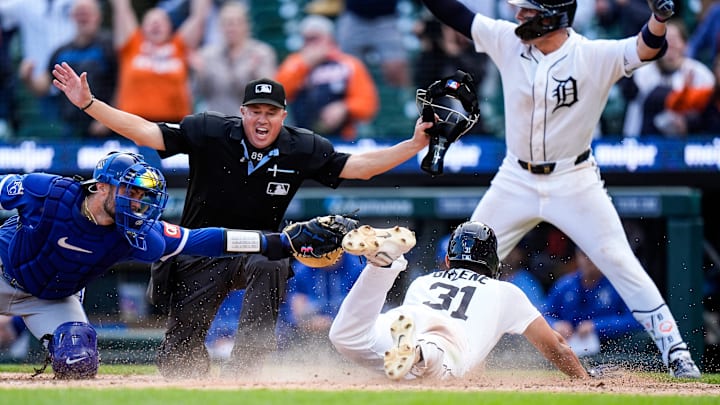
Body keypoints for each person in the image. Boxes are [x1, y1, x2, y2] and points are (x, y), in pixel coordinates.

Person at [51, 63, 431, 378]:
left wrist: (413, 146)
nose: (262, 119)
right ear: (243, 112)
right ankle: (189, 376)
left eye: (271, 112)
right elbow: (147, 132)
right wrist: (89, 104)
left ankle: (244, 370)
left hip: (258, 247)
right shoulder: (210, 131)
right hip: (202, 249)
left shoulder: (301, 147)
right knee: (180, 358)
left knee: (273, 260)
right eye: (255, 110)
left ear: (283, 116)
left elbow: (359, 167)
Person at [418, 0, 702, 377]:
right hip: (514, 178)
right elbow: (455, 13)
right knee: (464, 259)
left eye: (527, 11)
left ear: (552, 17)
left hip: (574, 179)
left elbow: (645, 48)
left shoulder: (591, 54)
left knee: (619, 260)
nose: (517, 16)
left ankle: (677, 353)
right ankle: (431, 350)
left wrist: (659, 18)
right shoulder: (508, 40)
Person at [0, 150, 351, 379]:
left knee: (77, 361)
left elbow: (206, 239)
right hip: (3, 270)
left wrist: (278, 242)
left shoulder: (141, 235)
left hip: (51, 299)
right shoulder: (45, 192)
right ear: (103, 187)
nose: (138, 203)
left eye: (142, 195)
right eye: (130, 192)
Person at [330, 221, 590, 380]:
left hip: (402, 324)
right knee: (438, 363)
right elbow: (556, 347)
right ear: (493, 264)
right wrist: (584, 379)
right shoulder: (504, 291)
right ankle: (418, 352)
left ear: (447, 260)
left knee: (346, 337)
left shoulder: (424, 282)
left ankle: (383, 265)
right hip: (443, 342)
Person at [22, 0, 117, 139]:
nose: (83, 18)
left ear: (98, 16)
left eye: (87, 13)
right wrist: (28, 78)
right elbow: (43, 86)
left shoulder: (110, 46)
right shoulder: (61, 51)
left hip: (105, 127)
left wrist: (109, 120)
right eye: (79, 13)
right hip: (71, 126)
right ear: (72, 17)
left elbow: (124, 85)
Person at [275, 14, 379, 140]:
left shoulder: (348, 64)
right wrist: (304, 65)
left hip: (342, 138)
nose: (311, 44)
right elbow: (277, 95)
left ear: (329, 38)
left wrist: (344, 108)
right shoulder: (294, 63)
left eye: (315, 39)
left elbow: (368, 105)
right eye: (307, 39)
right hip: (301, 139)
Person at [110, 0, 211, 122]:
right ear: (141, 27)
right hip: (133, 123)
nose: (156, 24)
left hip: (174, 123)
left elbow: (199, 17)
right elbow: (122, 8)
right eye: (151, 22)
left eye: (162, 21)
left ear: (170, 27)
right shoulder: (132, 44)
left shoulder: (179, 46)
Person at [621, 20, 714, 137]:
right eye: (666, 40)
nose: (671, 45)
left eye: (675, 39)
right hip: (644, 140)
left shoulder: (700, 73)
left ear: (685, 45)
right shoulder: (641, 72)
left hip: (689, 141)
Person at [544, 248, 644, 357]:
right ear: (577, 257)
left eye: (593, 255)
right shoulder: (565, 284)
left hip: (611, 349)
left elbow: (635, 320)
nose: (588, 260)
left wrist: (596, 326)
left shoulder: (618, 284)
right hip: (570, 348)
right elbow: (544, 314)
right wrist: (556, 325)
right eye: (584, 255)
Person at [190, 1, 277, 115]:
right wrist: (200, 74)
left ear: (247, 25)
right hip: (216, 120)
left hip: (249, 122)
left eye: (237, 22)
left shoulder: (261, 53)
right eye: (227, 23)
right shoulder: (207, 55)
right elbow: (197, 93)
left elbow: (269, 94)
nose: (232, 27)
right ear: (220, 27)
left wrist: (255, 74)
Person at [277, 252, 365, 351]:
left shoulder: (358, 268)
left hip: (346, 331)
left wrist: (333, 322)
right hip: (307, 332)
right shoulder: (302, 269)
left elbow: (363, 311)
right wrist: (307, 322)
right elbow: (296, 309)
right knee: (283, 331)